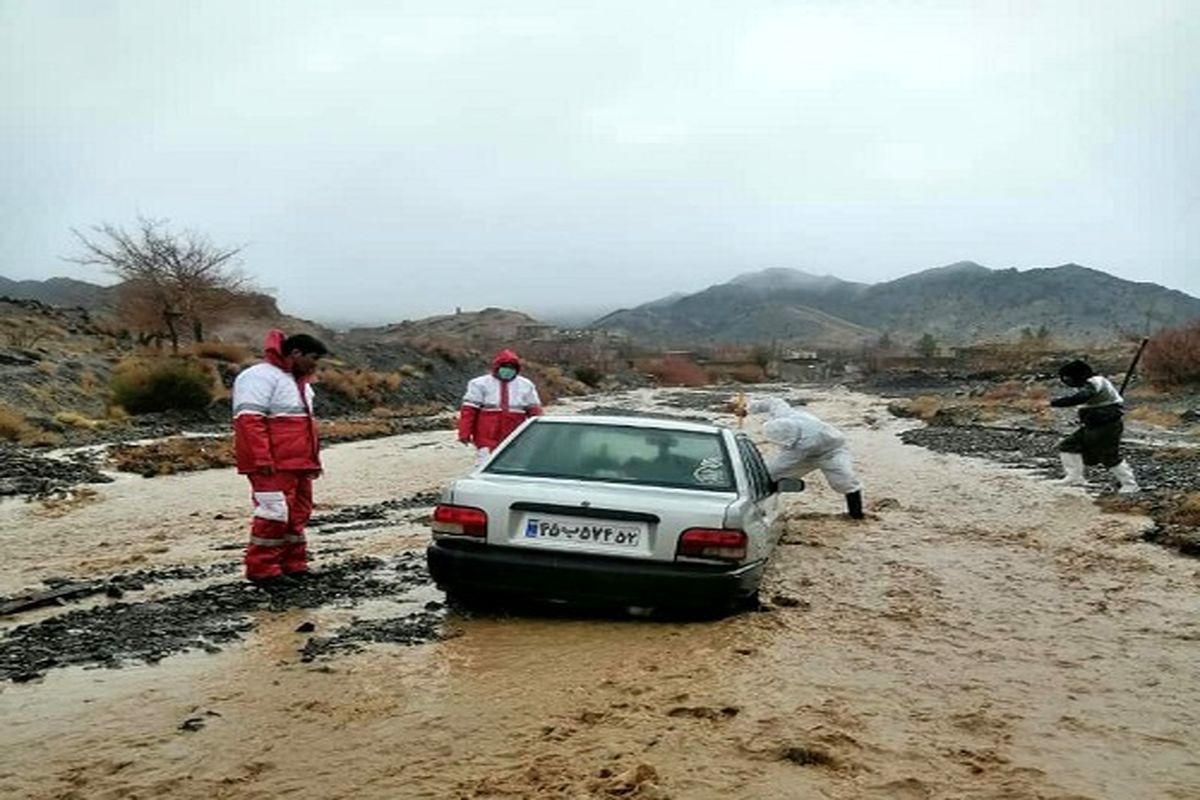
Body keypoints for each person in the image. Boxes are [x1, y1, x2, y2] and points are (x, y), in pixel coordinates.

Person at [232, 329, 328, 588]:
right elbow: (249, 421)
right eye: (313, 358)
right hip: (272, 464)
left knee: (297, 514)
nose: (315, 364)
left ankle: (293, 565)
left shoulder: (300, 384)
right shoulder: (258, 377)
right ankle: (263, 570)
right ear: (296, 353)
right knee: (273, 513)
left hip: (297, 463)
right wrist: (262, 459)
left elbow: (306, 427)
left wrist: (313, 462)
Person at [740, 396, 865, 518]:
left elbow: (782, 465)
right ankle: (761, 508)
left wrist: (764, 474)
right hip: (805, 452)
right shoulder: (784, 415)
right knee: (770, 476)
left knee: (844, 481)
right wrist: (748, 409)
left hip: (832, 452)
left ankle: (856, 515)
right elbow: (773, 401)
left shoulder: (804, 444)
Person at [1050, 359, 1139, 493]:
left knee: (1109, 455)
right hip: (1093, 424)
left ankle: (1130, 484)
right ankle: (1074, 477)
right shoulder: (1089, 383)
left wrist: (1055, 403)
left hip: (1108, 424)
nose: (1066, 381)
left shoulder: (1095, 382)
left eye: (1067, 378)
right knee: (1068, 445)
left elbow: (1082, 397)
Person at [458, 349, 543, 465]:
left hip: (515, 434)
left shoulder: (526, 385)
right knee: (486, 464)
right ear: (497, 366)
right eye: (505, 366)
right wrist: (464, 433)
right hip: (486, 435)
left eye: (512, 367)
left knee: (513, 465)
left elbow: (535, 412)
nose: (508, 370)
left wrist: (542, 433)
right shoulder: (479, 383)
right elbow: (469, 411)